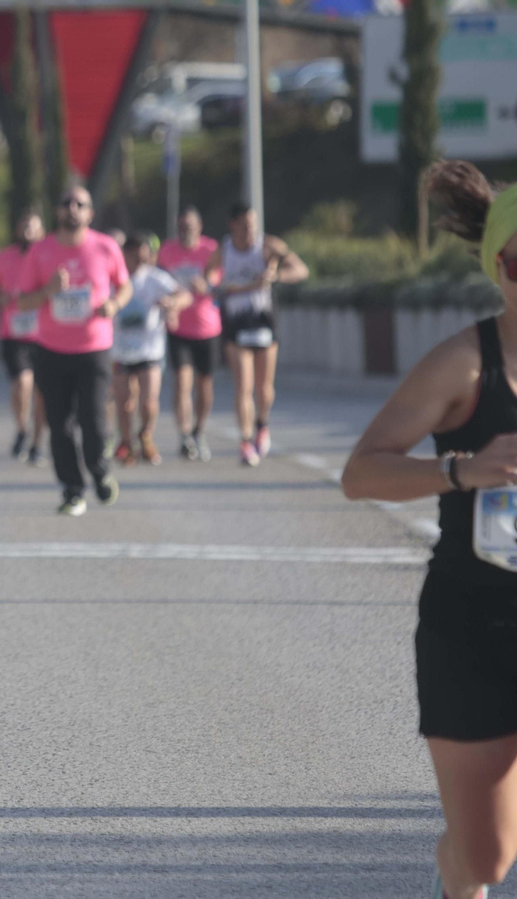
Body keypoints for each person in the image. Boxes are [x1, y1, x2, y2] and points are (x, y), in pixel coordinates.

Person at [339, 160, 517, 899]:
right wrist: (459, 471)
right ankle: (453, 870)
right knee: (486, 862)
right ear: (498, 267)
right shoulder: (464, 366)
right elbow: (362, 472)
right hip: (471, 626)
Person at [17, 186, 132, 516]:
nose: (73, 208)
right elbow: (22, 302)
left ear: (90, 213)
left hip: (94, 348)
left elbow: (125, 286)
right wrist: (49, 291)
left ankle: (100, 470)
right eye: (66, 203)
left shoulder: (105, 247)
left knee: (93, 419)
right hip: (51, 349)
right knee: (59, 424)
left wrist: (114, 304)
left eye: (80, 204)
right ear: (58, 211)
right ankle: (72, 490)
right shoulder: (40, 252)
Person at [211, 202, 308, 467]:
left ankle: (262, 425)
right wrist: (217, 287)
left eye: (253, 225)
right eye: (244, 225)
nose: (250, 230)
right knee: (243, 386)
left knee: (264, 389)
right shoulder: (225, 250)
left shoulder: (269, 246)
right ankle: (245, 442)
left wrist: (275, 277)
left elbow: (301, 270)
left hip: (263, 320)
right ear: (233, 225)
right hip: (236, 323)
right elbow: (208, 278)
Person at [112, 233, 188, 466]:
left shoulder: (155, 278)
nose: (140, 260)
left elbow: (184, 295)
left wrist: (173, 304)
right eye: (135, 255)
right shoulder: (115, 278)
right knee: (124, 402)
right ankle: (126, 442)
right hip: (120, 351)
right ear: (124, 255)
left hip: (150, 350)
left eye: (143, 255)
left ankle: (146, 436)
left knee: (148, 400)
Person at [159, 206, 221, 460]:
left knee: (204, 385)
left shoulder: (211, 250)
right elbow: (160, 283)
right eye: (181, 227)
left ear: (200, 226)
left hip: (207, 327)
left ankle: (199, 430)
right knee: (182, 382)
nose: (186, 231)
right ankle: (185, 435)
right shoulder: (167, 251)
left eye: (190, 226)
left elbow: (219, 286)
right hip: (178, 328)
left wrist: (207, 286)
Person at [0, 210, 48, 466]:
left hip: (44, 332)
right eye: (24, 227)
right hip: (13, 331)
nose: (28, 232)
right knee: (22, 384)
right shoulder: (4, 257)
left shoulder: (49, 255)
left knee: (42, 393)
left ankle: (37, 443)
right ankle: (22, 427)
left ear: (42, 232)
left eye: (33, 228)